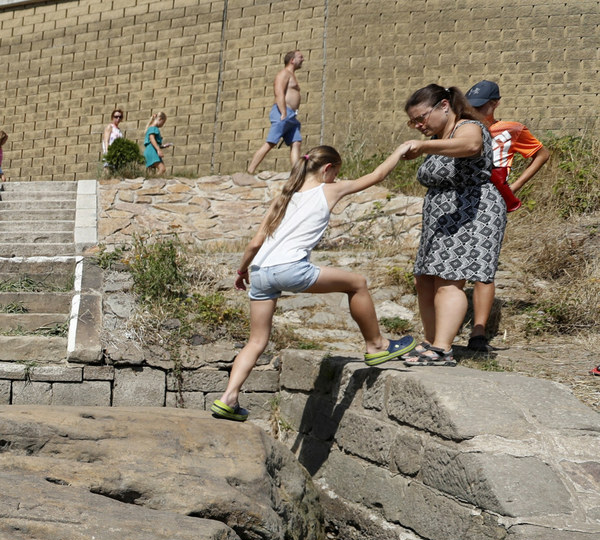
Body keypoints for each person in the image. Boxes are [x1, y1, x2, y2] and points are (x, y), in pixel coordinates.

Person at [210, 144, 418, 422]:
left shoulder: (284, 196)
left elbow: (255, 242)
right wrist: (399, 151)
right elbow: (378, 175)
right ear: (327, 169)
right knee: (357, 283)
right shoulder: (327, 189)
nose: (336, 179)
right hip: (290, 268)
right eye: (336, 173)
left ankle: (229, 398)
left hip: (260, 271)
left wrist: (242, 270)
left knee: (256, 341)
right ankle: (377, 344)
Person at [399, 84, 506, 366]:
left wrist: (423, 145)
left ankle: (443, 349)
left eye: (422, 118)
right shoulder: (439, 136)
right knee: (425, 279)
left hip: (471, 211)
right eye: (414, 122)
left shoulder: (468, 126)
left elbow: (471, 146)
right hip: (441, 216)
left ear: (444, 106)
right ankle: (432, 342)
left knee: (449, 279)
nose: (419, 125)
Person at [463, 79, 552, 352]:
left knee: (485, 266)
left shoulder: (511, 129)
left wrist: (514, 186)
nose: (475, 111)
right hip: (462, 197)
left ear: (495, 104)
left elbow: (541, 154)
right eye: (471, 107)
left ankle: (478, 332)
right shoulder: (463, 128)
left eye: (481, 106)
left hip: (494, 199)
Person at [247, 50, 304, 174]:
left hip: (291, 115)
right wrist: (283, 112)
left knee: (296, 142)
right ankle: (250, 170)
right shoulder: (284, 74)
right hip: (282, 112)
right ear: (292, 60)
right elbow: (279, 92)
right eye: (300, 57)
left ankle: (296, 173)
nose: (303, 59)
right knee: (271, 142)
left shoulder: (292, 75)